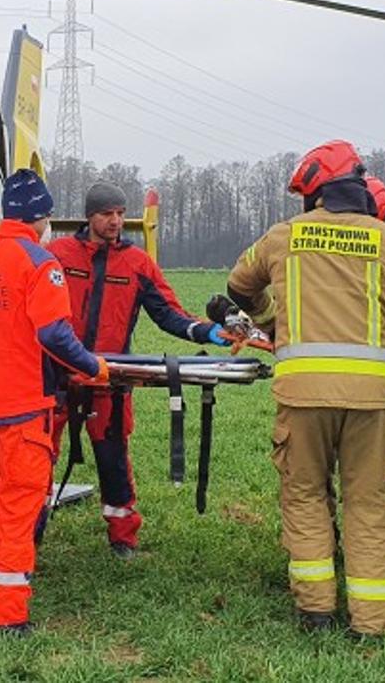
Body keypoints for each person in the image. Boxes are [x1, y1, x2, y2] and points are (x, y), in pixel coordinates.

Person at [223, 140, 385, 636]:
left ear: (316, 190)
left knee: (304, 498)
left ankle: (316, 612)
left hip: (301, 396)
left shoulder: (282, 237)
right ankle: (371, 621)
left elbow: (239, 286)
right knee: (367, 504)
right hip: (371, 401)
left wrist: (273, 323)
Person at [0, 169, 109, 635]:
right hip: (26, 408)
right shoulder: (41, 263)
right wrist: (93, 366)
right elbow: (53, 333)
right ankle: (7, 615)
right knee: (19, 506)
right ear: (42, 218)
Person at [47, 182, 227, 557]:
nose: (115, 221)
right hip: (56, 377)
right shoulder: (57, 256)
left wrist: (206, 331)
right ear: (89, 216)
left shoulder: (137, 264)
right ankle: (27, 528)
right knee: (37, 456)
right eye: (106, 214)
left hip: (110, 378)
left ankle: (123, 535)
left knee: (113, 458)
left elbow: (168, 313)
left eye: (119, 213)